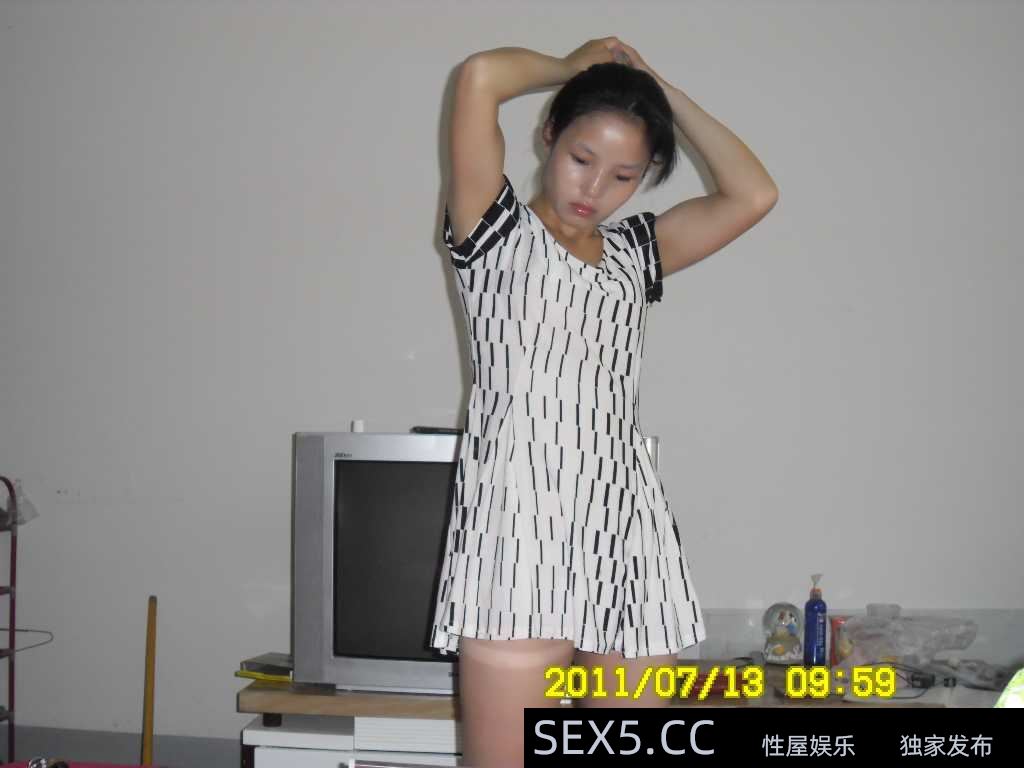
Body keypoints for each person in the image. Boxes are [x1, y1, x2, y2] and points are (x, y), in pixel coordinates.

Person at [428, 38, 778, 766]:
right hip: (519, 531)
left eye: (624, 175)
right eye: (582, 158)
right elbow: (481, 76)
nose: (594, 188)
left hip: (627, 529)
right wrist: (574, 68)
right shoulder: (493, 230)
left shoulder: (633, 253)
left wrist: (656, 88)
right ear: (549, 134)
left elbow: (754, 194)